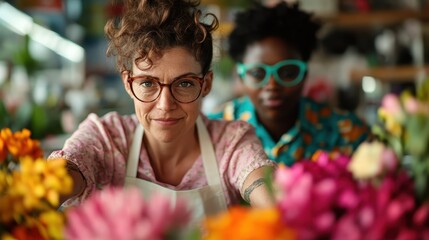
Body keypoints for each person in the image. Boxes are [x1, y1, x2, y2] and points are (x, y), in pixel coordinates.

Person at [48, 0, 276, 222]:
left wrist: (278, 206)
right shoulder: (107, 138)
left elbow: (265, 190)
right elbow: (53, 182)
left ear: (205, 84)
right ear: (128, 84)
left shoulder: (231, 142)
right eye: (147, 83)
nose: (165, 105)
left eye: (184, 83)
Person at [208, 2, 369, 166]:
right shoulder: (214, 133)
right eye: (258, 73)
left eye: (287, 72)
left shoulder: (347, 133)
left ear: (305, 74)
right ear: (241, 77)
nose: (272, 85)